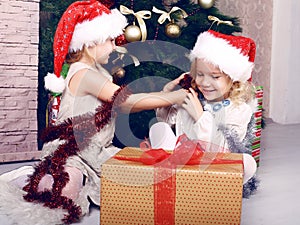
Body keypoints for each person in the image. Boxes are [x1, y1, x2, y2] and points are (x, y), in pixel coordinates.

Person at [0, 1, 187, 224]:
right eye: (109, 40)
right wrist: (173, 98)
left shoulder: (97, 71)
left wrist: (165, 92)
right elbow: (126, 102)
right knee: (67, 191)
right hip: (73, 151)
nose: (115, 46)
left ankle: (73, 178)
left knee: (133, 178)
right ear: (89, 44)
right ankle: (25, 178)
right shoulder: (83, 74)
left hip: (96, 150)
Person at [149, 30, 258, 186]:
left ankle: (212, 191)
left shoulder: (238, 110)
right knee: (159, 127)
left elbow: (222, 150)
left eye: (215, 77)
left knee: (247, 163)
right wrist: (166, 96)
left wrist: (200, 117)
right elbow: (167, 119)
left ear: (234, 80)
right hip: (182, 164)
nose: (205, 83)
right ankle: (170, 180)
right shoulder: (193, 98)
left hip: (213, 168)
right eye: (200, 74)